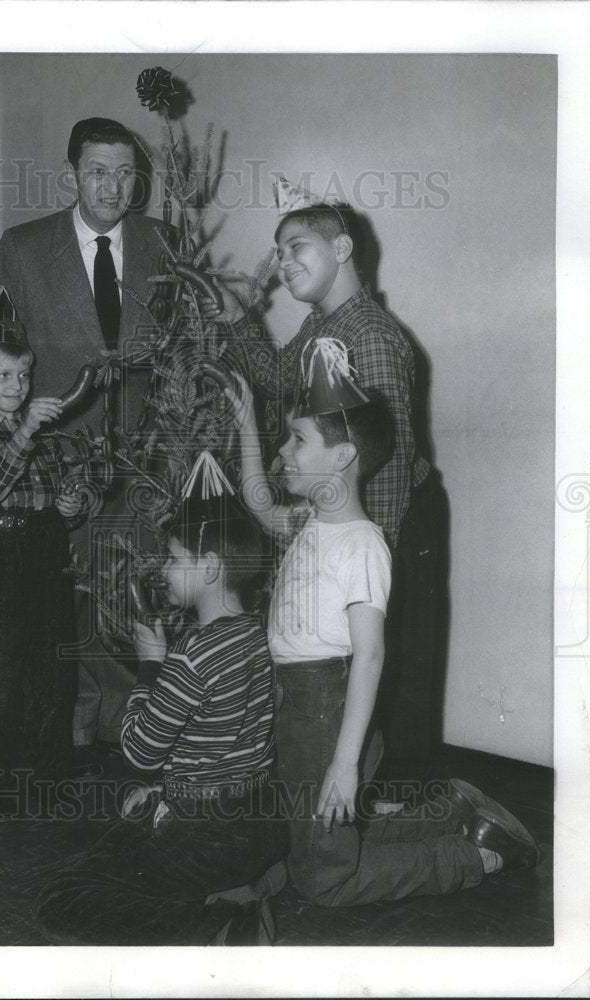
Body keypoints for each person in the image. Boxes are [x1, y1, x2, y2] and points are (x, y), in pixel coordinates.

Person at [226, 338, 538, 908]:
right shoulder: (309, 522)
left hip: (327, 708)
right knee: (321, 829)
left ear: (342, 458)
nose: (283, 450)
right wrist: (247, 422)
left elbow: (369, 655)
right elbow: (257, 500)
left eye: (297, 439)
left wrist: (345, 763)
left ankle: (474, 856)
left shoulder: (363, 544)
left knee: (325, 877)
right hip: (298, 703)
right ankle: (451, 813)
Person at [0, 118, 173, 773]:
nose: (112, 184)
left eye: (125, 171)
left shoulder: (163, 241)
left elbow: (187, 343)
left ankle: (128, 728)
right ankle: (64, 728)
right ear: (73, 172)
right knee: (62, 594)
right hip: (54, 455)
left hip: (140, 452)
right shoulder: (24, 245)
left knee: (131, 588)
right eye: (98, 170)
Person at [210, 186, 447, 781]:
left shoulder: (370, 336)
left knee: (392, 662)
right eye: (279, 251)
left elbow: (389, 459)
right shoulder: (322, 323)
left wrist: (367, 548)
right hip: (348, 515)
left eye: (297, 246)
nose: (285, 262)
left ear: (341, 248)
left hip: (390, 517)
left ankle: (397, 798)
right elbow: (273, 377)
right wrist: (240, 319)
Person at [35, 452, 289, 945]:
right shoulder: (257, 636)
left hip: (208, 834)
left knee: (63, 901)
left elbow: (139, 753)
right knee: (134, 830)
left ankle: (218, 928)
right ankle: (250, 882)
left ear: (211, 567)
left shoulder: (191, 654)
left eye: (174, 558)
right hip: (260, 821)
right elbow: (217, 744)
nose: (165, 569)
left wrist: (151, 663)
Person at [0, 291, 84, 807]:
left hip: (46, 547)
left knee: (52, 665)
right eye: (3, 376)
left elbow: (62, 490)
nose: (17, 387)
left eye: (23, 376)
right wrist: (25, 429)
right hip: (1, 551)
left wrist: (72, 504)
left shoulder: (40, 434)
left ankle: (47, 772)